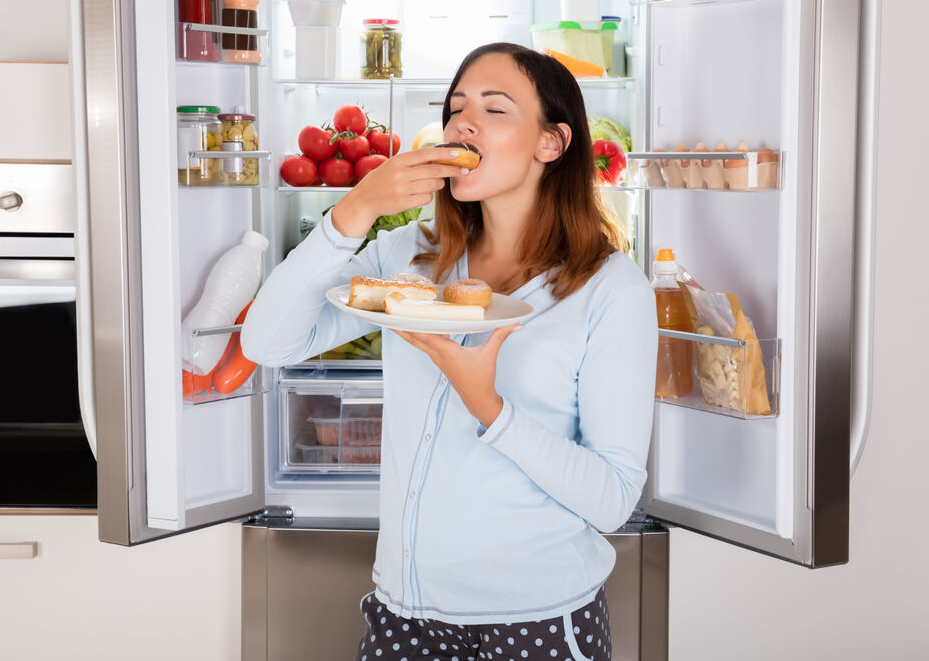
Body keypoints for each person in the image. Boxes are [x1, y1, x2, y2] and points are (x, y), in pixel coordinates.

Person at [241, 42, 657, 661]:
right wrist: (353, 211)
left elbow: (613, 500)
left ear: (551, 143)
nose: (462, 122)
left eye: (494, 108)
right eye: (455, 106)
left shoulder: (610, 289)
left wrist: (488, 406)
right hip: (403, 611)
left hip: (536, 622)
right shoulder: (412, 255)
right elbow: (269, 342)